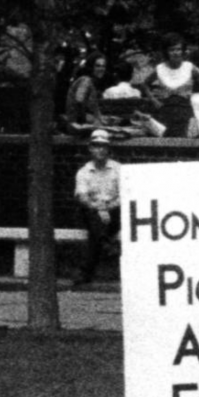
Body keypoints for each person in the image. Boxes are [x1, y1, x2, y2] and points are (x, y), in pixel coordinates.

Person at [72, 129, 120, 284]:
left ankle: (85, 273)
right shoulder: (84, 172)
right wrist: (98, 208)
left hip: (113, 210)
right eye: (97, 146)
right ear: (90, 148)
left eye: (104, 146)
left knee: (96, 232)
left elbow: (125, 195)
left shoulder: (118, 169)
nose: (100, 149)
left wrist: (108, 208)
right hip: (92, 211)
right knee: (93, 219)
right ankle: (106, 243)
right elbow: (82, 197)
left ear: (108, 148)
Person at [151, 33, 199, 137]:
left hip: (185, 110)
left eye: (178, 49)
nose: (175, 53)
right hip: (165, 110)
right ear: (166, 52)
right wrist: (153, 99)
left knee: (182, 138)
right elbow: (144, 84)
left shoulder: (189, 67)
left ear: (182, 51)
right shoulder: (160, 68)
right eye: (172, 50)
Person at [63, 55, 108, 134]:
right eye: (97, 66)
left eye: (103, 66)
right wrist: (88, 120)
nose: (101, 69)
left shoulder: (91, 82)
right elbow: (79, 100)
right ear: (91, 67)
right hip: (78, 127)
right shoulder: (85, 81)